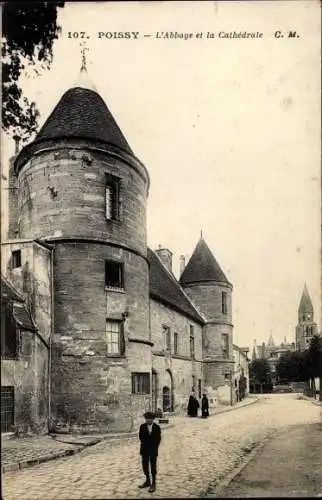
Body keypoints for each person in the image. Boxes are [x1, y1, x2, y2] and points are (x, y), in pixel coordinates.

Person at [138, 411, 161, 492]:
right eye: (147, 419)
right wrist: (146, 444)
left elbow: (158, 439)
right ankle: (147, 481)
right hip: (144, 450)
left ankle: (153, 483)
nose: (148, 420)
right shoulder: (142, 427)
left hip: (153, 450)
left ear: (153, 419)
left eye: (150, 419)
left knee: (153, 467)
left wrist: (154, 448)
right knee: (145, 466)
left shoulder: (157, 427)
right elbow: (140, 437)